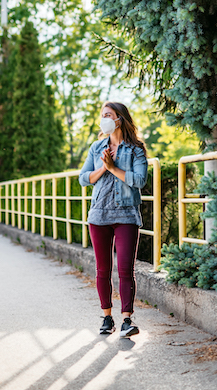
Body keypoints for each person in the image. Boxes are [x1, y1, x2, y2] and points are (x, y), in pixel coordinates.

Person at [79, 101, 148, 338]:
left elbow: (139, 181)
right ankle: (107, 318)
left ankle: (127, 320)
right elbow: (84, 178)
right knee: (102, 269)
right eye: (102, 115)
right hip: (99, 214)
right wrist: (102, 168)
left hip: (126, 214)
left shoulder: (136, 149)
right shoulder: (96, 146)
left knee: (125, 269)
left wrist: (112, 167)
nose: (104, 119)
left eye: (108, 115)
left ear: (120, 118)